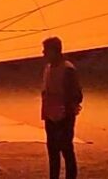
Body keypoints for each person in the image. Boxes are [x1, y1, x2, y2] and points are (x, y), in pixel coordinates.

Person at [41, 36, 82, 179]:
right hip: (50, 114)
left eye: (46, 50)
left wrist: (67, 110)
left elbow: (76, 94)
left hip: (64, 116)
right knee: (52, 150)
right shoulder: (48, 68)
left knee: (66, 148)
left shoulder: (67, 69)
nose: (43, 53)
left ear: (54, 51)